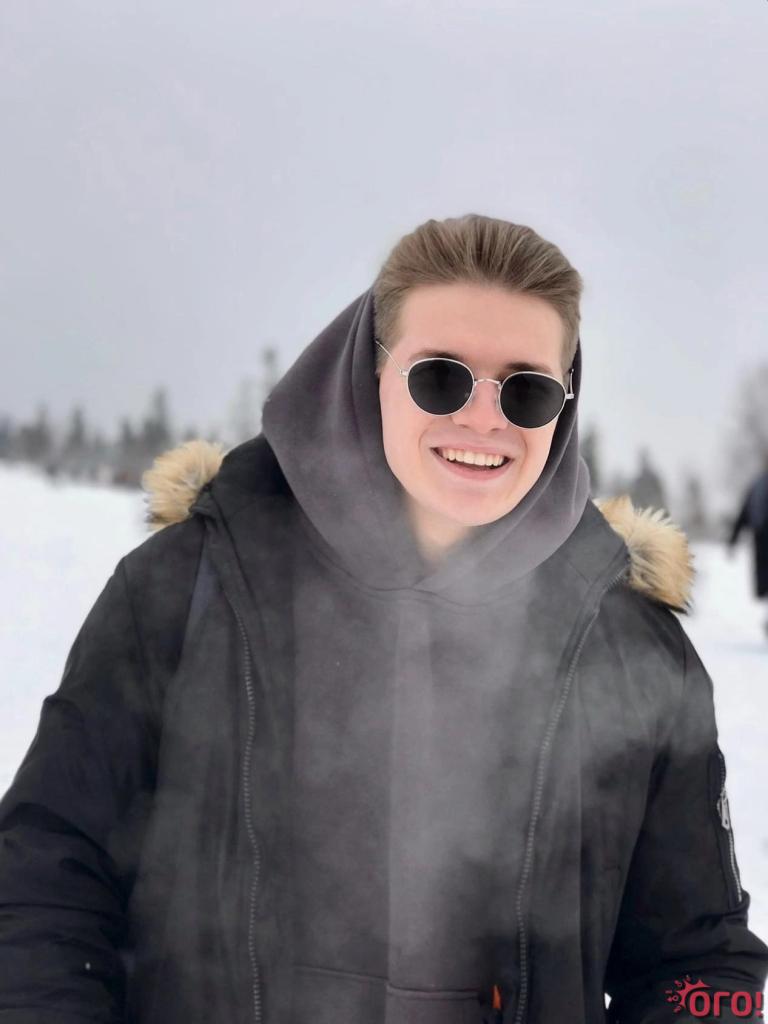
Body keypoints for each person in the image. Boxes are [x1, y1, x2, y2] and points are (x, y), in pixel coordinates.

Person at [1, 214, 766, 1024]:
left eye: (526, 390)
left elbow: (697, 966)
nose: (485, 419)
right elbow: (45, 885)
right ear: (371, 371)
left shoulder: (634, 651)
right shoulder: (187, 588)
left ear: (563, 407)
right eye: (441, 378)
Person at [727, 459, 768, 637]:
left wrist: (733, 540)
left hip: (761, 542)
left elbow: (743, 514)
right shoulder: (758, 485)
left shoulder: (757, 485)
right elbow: (744, 513)